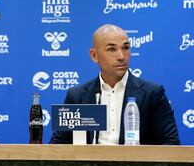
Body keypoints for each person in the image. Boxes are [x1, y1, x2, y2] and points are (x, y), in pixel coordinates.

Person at [50, 24, 180, 145]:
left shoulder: (152, 94)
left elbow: (171, 143)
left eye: (126, 48)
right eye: (112, 49)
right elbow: (58, 144)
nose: (121, 56)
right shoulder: (77, 97)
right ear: (94, 55)